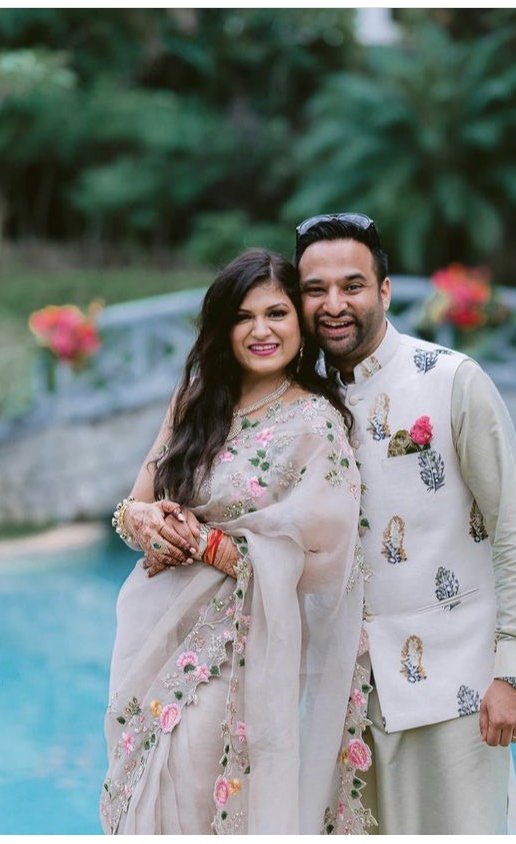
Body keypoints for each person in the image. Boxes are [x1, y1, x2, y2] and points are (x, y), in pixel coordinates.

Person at [293, 213, 516, 835]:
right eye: (315, 290)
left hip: (456, 691)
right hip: (341, 696)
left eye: (352, 285)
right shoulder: (300, 403)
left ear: (385, 291)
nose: (334, 304)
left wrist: (513, 672)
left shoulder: (454, 381)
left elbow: (514, 528)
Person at [100, 248, 374, 835]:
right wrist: (143, 524)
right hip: (153, 637)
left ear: (299, 323)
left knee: (199, 789)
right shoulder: (196, 402)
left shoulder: (317, 423)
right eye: (243, 317)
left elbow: (324, 561)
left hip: (237, 650)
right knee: (144, 792)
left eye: (276, 313)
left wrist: (204, 544)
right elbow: (133, 504)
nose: (260, 331)